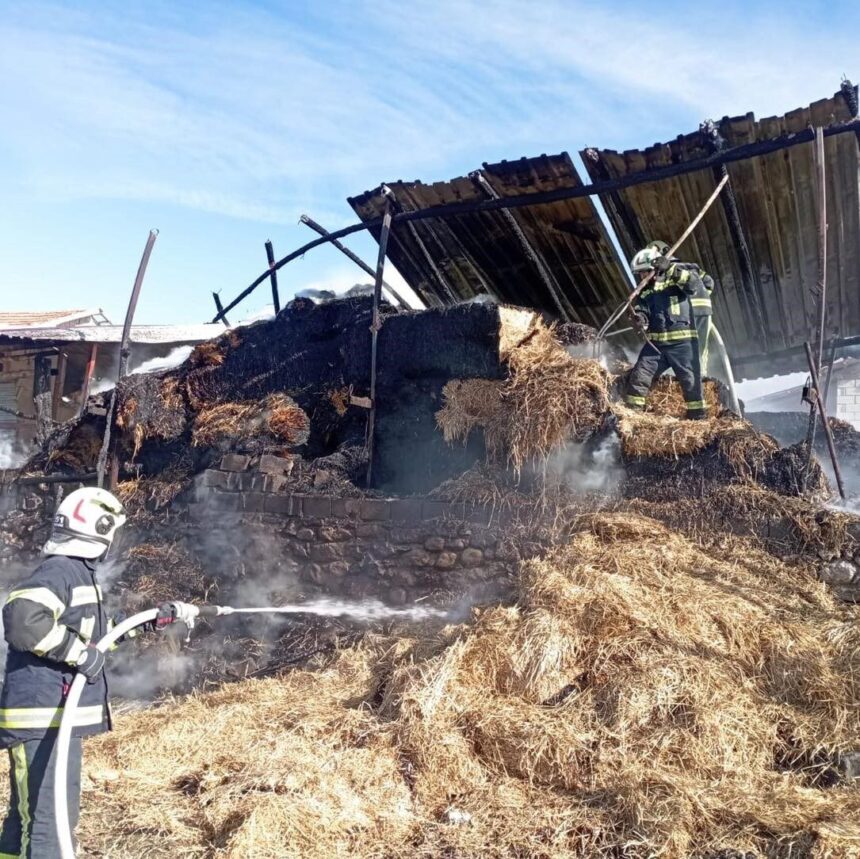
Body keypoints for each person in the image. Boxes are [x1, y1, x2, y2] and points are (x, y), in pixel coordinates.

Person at [0, 487, 181, 859]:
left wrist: (147, 621)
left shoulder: (77, 575)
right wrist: (78, 653)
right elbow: (22, 620)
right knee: (47, 824)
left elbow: (96, 641)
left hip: (54, 717)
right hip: (41, 718)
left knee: (38, 819)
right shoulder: (59, 571)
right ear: (99, 533)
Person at [624, 245, 708, 420]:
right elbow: (642, 310)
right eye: (639, 274)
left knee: (691, 383)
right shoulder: (644, 292)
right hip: (655, 347)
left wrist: (671, 268)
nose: (641, 277)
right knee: (639, 377)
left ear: (654, 269)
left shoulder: (675, 280)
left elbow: (692, 284)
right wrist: (640, 318)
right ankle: (632, 416)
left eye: (644, 272)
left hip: (683, 345)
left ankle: (698, 417)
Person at [645, 240, 715, 375]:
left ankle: (697, 379)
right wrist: (703, 297)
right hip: (701, 312)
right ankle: (699, 377)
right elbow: (709, 283)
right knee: (698, 349)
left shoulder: (671, 270)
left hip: (685, 314)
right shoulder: (690, 267)